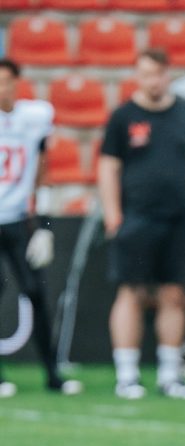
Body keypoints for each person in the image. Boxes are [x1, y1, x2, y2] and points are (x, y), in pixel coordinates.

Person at [98, 48, 185, 399]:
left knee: (174, 294)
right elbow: (108, 166)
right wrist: (113, 213)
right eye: (146, 74)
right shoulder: (123, 116)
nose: (153, 81)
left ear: (167, 74)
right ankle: (127, 375)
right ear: (137, 76)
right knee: (130, 292)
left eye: (158, 74)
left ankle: (170, 375)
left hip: (179, 216)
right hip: (137, 217)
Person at [0, 58, 81, 398]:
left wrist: (45, 225)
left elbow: (43, 169)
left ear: (17, 83)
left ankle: (52, 372)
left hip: (19, 218)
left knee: (35, 292)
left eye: (5, 81)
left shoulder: (34, 117)